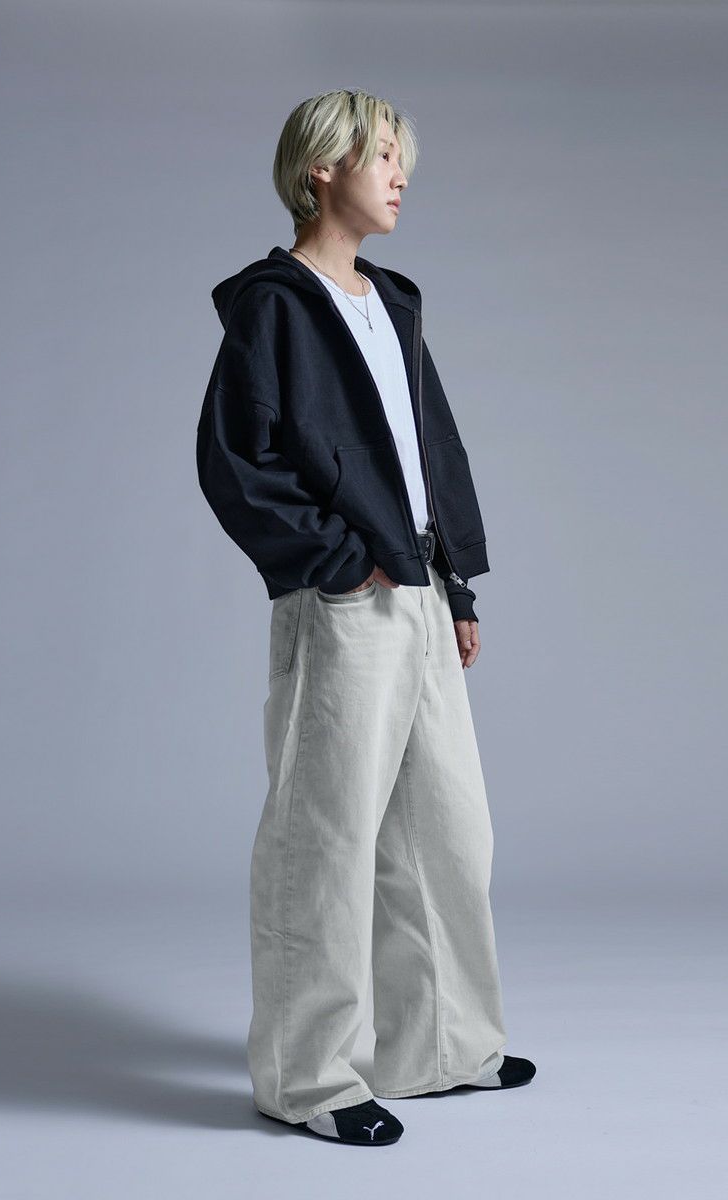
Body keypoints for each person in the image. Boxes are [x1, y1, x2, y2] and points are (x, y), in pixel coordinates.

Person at [197, 89, 535, 1146]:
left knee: (447, 831)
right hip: (344, 600)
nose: (399, 175)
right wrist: (338, 565)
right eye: (381, 155)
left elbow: (433, 455)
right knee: (326, 837)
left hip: (418, 590)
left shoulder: (392, 301)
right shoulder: (275, 305)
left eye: (401, 158)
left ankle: (442, 1048)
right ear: (321, 169)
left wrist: (456, 584)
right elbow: (236, 461)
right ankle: (310, 1080)